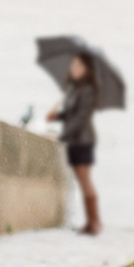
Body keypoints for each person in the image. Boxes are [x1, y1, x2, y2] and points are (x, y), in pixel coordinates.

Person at [47, 54, 101, 235]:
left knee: (85, 180)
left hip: (83, 140)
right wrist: (57, 116)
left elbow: (81, 118)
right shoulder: (73, 89)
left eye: (79, 66)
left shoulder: (87, 90)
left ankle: (94, 222)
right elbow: (71, 114)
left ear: (87, 69)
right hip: (75, 140)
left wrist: (63, 136)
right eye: (73, 65)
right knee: (81, 180)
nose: (75, 69)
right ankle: (91, 222)